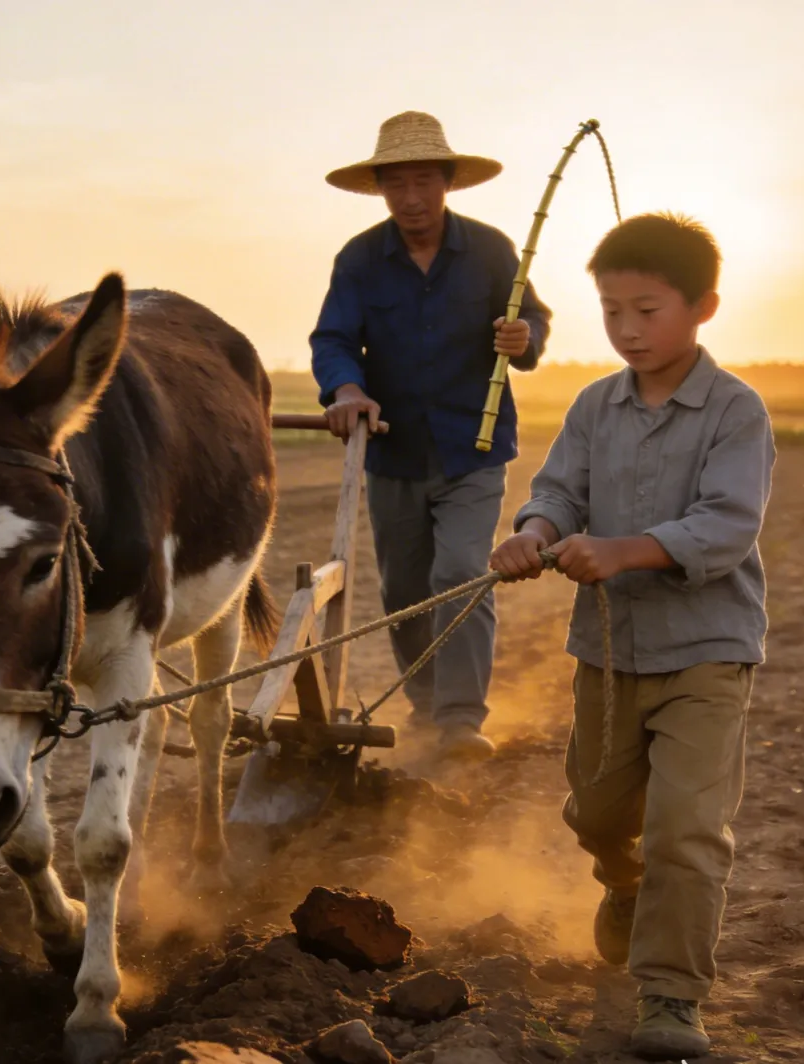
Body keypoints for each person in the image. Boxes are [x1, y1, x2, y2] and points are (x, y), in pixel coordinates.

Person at [490, 212, 775, 1058]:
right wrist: (534, 532)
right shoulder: (593, 405)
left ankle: (671, 997)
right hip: (609, 652)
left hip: (708, 651)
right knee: (597, 809)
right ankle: (620, 878)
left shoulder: (736, 412)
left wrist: (625, 550)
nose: (627, 329)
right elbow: (559, 490)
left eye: (646, 310)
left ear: (704, 307)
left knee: (688, 826)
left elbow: (726, 526)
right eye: (611, 310)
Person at [310, 111, 551, 758]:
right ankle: (424, 705)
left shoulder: (494, 250)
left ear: (446, 183)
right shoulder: (360, 260)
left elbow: (531, 315)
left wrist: (524, 337)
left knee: (461, 573)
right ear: (381, 190)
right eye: (397, 186)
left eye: (423, 182)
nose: (411, 199)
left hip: (473, 448)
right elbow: (333, 339)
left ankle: (461, 720)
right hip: (391, 452)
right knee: (405, 591)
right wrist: (347, 389)